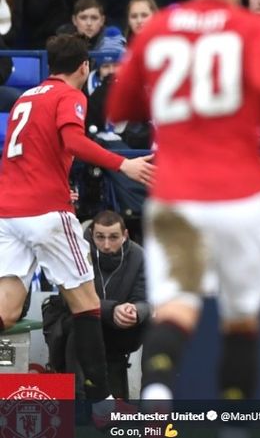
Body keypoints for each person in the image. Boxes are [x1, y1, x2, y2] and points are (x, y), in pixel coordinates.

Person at [106, 0, 260, 405]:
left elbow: (119, 107)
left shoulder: (157, 28)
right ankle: (231, 421)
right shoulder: (257, 28)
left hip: (176, 193)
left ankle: (154, 392)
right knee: (240, 316)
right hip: (240, 192)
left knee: (176, 308)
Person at [0, 33, 154, 425]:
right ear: (84, 66)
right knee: (85, 305)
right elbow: (74, 139)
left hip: (8, 212)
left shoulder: (25, 97)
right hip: (46, 212)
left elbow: (30, 153)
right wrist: (125, 165)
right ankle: (104, 407)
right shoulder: (70, 95)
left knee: (5, 310)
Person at [43, 210, 150, 400]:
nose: (106, 245)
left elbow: (145, 300)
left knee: (153, 325)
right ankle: (79, 398)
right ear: (92, 234)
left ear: (125, 236)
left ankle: (152, 401)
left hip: (121, 327)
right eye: (100, 237)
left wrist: (135, 311)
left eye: (114, 237)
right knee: (82, 326)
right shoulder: (77, 253)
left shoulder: (139, 256)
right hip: (80, 321)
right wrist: (112, 310)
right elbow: (70, 300)